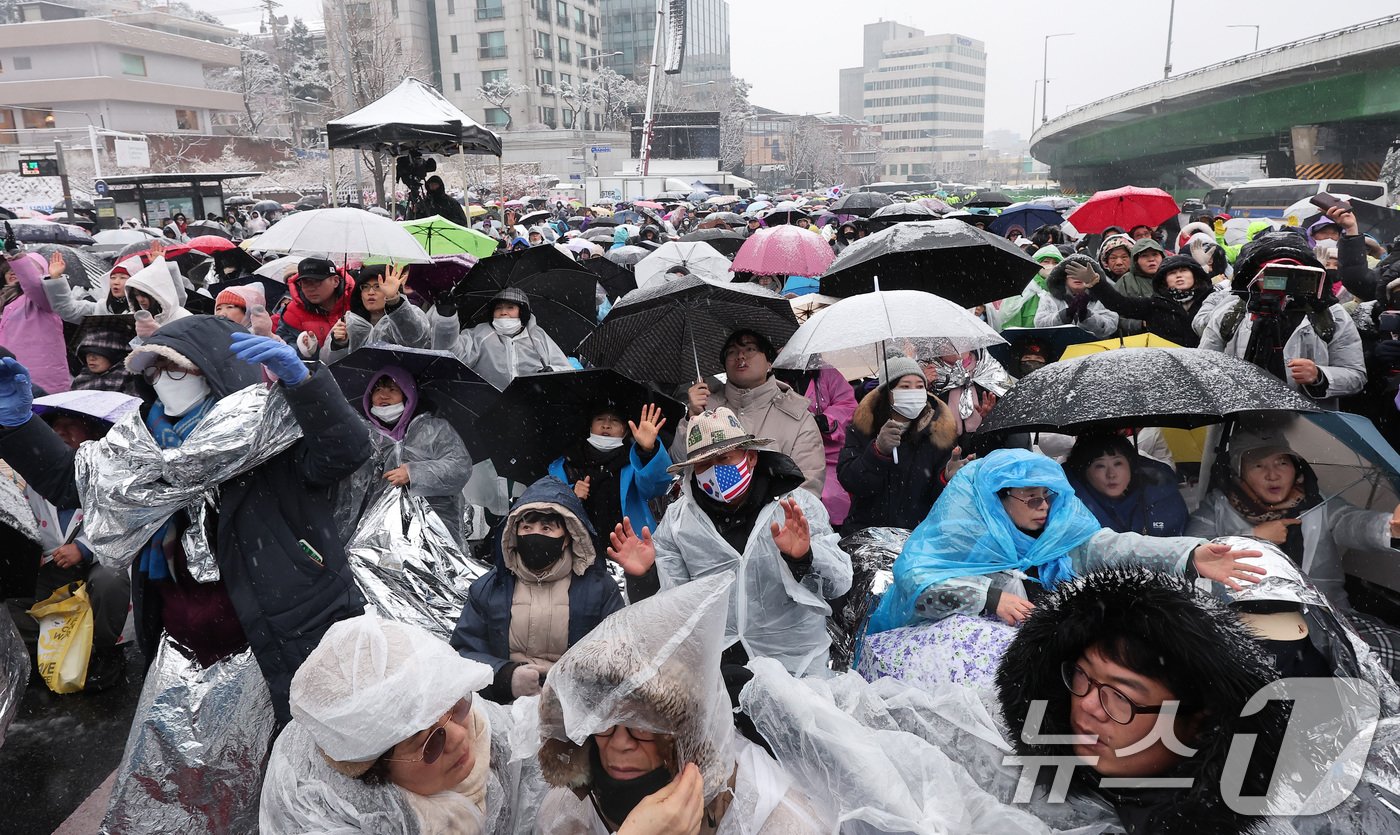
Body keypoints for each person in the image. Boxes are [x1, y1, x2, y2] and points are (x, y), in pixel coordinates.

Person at [0, 315, 371, 723]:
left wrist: (305, 385)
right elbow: (75, 484)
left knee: (294, 755)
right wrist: (19, 427)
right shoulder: (137, 445)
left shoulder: (274, 425)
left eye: (175, 367)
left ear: (213, 367)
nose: (162, 379)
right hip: (180, 638)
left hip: (282, 631)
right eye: (154, 370)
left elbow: (345, 452)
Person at [995, 569, 1288, 835]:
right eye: (1083, 675)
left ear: (1199, 721)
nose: (1088, 706)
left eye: (1122, 696)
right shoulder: (998, 776)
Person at [534, 573, 830, 834]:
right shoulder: (568, 816)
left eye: (642, 727)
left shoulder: (773, 820)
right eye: (604, 725)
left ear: (685, 735)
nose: (620, 743)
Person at [864, 449, 1263, 634]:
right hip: (930, 651)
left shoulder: (1058, 533)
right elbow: (917, 583)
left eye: (1048, 496)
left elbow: (1114, 548)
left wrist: (1189, 555)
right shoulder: (961, 535)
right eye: (1030, 498)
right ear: (995, 501)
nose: (1043, 507)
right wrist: (988, 598)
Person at [612, 408, 852, 676]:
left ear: (750, 457)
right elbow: (670, 609)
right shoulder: (679, 522)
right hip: (717, 670)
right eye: (703, 464)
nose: (714, 471)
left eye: (724, 458)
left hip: (797, 668)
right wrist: (645, 576)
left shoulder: (796, 507)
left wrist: (803, 557)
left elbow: (839, 582)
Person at [1186, 422, 1400, 676]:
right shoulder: (1219, 506)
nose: (1273, 474)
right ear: (1238, 471)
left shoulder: (1317, 501)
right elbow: (1191, 548)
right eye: (1258, 465)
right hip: (1250, 622)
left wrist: (1389, 528)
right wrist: (1253, 537)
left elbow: (1352, 523)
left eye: (1282, 463)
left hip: (1326, 617)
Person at [260, 615, 505, 834]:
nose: (460, 736)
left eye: (455, 705)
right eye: (431, 743)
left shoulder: (480, 725)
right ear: (375, 773)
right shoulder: (337, 818)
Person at [450, 476, 624, 704]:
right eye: (527, 527)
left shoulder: (598, 589)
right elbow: (463, 652)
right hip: (507, 708)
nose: (535, 535)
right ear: (515, 532)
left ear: (566, 538)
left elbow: (620, 653)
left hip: (575, 709)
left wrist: (573, 683)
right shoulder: (490, 589)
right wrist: (505, 677)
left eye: (547, 528)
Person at [7, 397, 137, 691]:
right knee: (13, 589)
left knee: (110, 580)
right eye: (54, 427)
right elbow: (27, 517)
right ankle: (39, 655)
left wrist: (84, 548)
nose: (60, 432)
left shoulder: (112, 474)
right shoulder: (36, 476)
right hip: (53, 567)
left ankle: (102, 652)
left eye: (70, 425)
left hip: (99, 564)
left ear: (91, 432)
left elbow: (124, 518)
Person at [1198, 232, 1365, 408]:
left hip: (1309, 425)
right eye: (1274, 273)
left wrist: (1319, 376)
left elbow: (1356, 375)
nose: (1283, 281)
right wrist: (1230, 377)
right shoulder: (1232, 311)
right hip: (1240, 422)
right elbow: (1203, 366)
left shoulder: (1330, 314)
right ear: (1255, 276)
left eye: (1292, 273)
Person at [676, 330, 826, 496]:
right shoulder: (706, 409)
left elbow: (808, 486)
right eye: (732, 351)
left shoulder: (797, 417)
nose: (740, 356)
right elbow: (679, 463)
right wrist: (692, 418)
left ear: (769, 362)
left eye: (750, 349)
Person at [838, 356, 961, 530]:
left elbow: (939, 503)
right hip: (866, 532)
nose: (914, 392)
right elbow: (851, 481)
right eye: (905, 386)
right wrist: (877, 452)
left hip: (916, 537)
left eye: (919, 387)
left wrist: (946, 478)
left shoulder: (937, 433)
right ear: (887, 392)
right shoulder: (863, 428)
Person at [353, 367, 472, 543]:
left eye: (392, 389)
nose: (383, 395)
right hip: (380, 533)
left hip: (432, 531)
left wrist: (414, 473)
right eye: (377, 389)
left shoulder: (435, 429)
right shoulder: (363, 435)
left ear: (408, 395)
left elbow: (459, 467)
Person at [548, 402, 673, 551]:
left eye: (615, 420)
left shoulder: (635, 460)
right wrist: (571, 495)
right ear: (590, 427)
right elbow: (549, 507)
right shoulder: (566, 464)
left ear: (625, 431)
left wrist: (648, 452)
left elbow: (655, 488)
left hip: (631, 550)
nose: (606, 425)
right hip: (578, 552)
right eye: (600, 419)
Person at [433, 287, 571, 390]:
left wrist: (552, 371)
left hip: (531, 407)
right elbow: (451, 354)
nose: (503, 312)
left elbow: (566, 370)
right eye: (498, 308)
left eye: (510, 307)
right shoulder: (480, 334)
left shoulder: (537, 336)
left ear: (522, 311)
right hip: (487, 407)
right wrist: (447, 320)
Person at [1076, 253, 1216, 347]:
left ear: (1195, 275)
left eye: (1184, 271)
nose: (1179, 276)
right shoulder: (1155, 305)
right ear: (1164, 281)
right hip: (1166, 365)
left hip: (1203, 363)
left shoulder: (1211, 300)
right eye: (1172, 273)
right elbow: (1120, 304)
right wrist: (1097, 284)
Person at [1064, 433, 1187, 537]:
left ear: (1130, 465)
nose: (1111, 474)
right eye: (1100, 466)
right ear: (1083, 472)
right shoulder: (1069, 505)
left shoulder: (1161, 495)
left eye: (1118, 463)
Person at [780, 365, 859, 526]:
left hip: (829, 456)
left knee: (833, 498)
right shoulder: (775, 382)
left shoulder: (828, 374)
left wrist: (824, 420)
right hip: (790, 455)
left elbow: (849, 406)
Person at [322, 263, 430, 363]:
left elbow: (414, 340)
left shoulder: (412, 313)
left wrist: (393, 300)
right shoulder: (348, 322)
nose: (371, 292)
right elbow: (328, 363)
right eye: (365, 287)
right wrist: (339, 344)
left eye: (378, 286)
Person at [0, 252, 70, 393]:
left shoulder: (43, 298)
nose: (13, 271)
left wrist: (16, 256)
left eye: (25, 268)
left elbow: (33, 284)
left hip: (39, 380)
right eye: (9, 268)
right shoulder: (6, 300)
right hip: (12, 378)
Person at [276, 256, 355, 356]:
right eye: (305, 283)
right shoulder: (292, 312)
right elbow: (284, 348)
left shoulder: (357, 301)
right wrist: (305, 350)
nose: (310, 288)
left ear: (335, 281)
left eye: (317, 282)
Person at [1033, 254, 1121, 338]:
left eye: (1083, 274)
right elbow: (1040, 324)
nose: (1077, 278)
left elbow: (1111, 325)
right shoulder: (1050, 298)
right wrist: (1065, 315)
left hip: (1095, 347)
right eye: (1072, 273)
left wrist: (1087, 315)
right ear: (1064, 276)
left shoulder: (1103, 297)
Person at [44, 252, 134, 322]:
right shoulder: (100, 308)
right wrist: (56, 278)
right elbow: (67, 309)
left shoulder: (141, 309)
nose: (116, 282)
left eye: (123, 278)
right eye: (113, 278)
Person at [69, 315, 144, 397]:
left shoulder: (131, 379)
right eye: (87, 353)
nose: (91, 358)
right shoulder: (81, 380)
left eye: (97, 353)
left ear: (115, 355)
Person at [125, 255, 192, 343]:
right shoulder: (134, 319)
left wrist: (158, 336)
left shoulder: (184, 318)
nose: (140, 300)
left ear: (158, 293)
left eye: (145, 295)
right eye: (136, 295)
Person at [996, 245, 1063, 329]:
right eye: (1046, 261)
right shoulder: (1023, 290)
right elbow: (1010, 324)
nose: (1051, 265)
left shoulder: (1064, 291)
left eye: (1056, 262)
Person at [1112, 238, 1167, 335]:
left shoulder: (1171, 277)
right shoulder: (1125, 282)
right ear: (1136, 261)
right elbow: (1114, 318)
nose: (1151, 259)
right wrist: (1140, 324)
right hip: (1138, 341)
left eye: (1155, 254)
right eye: (1145, 256)